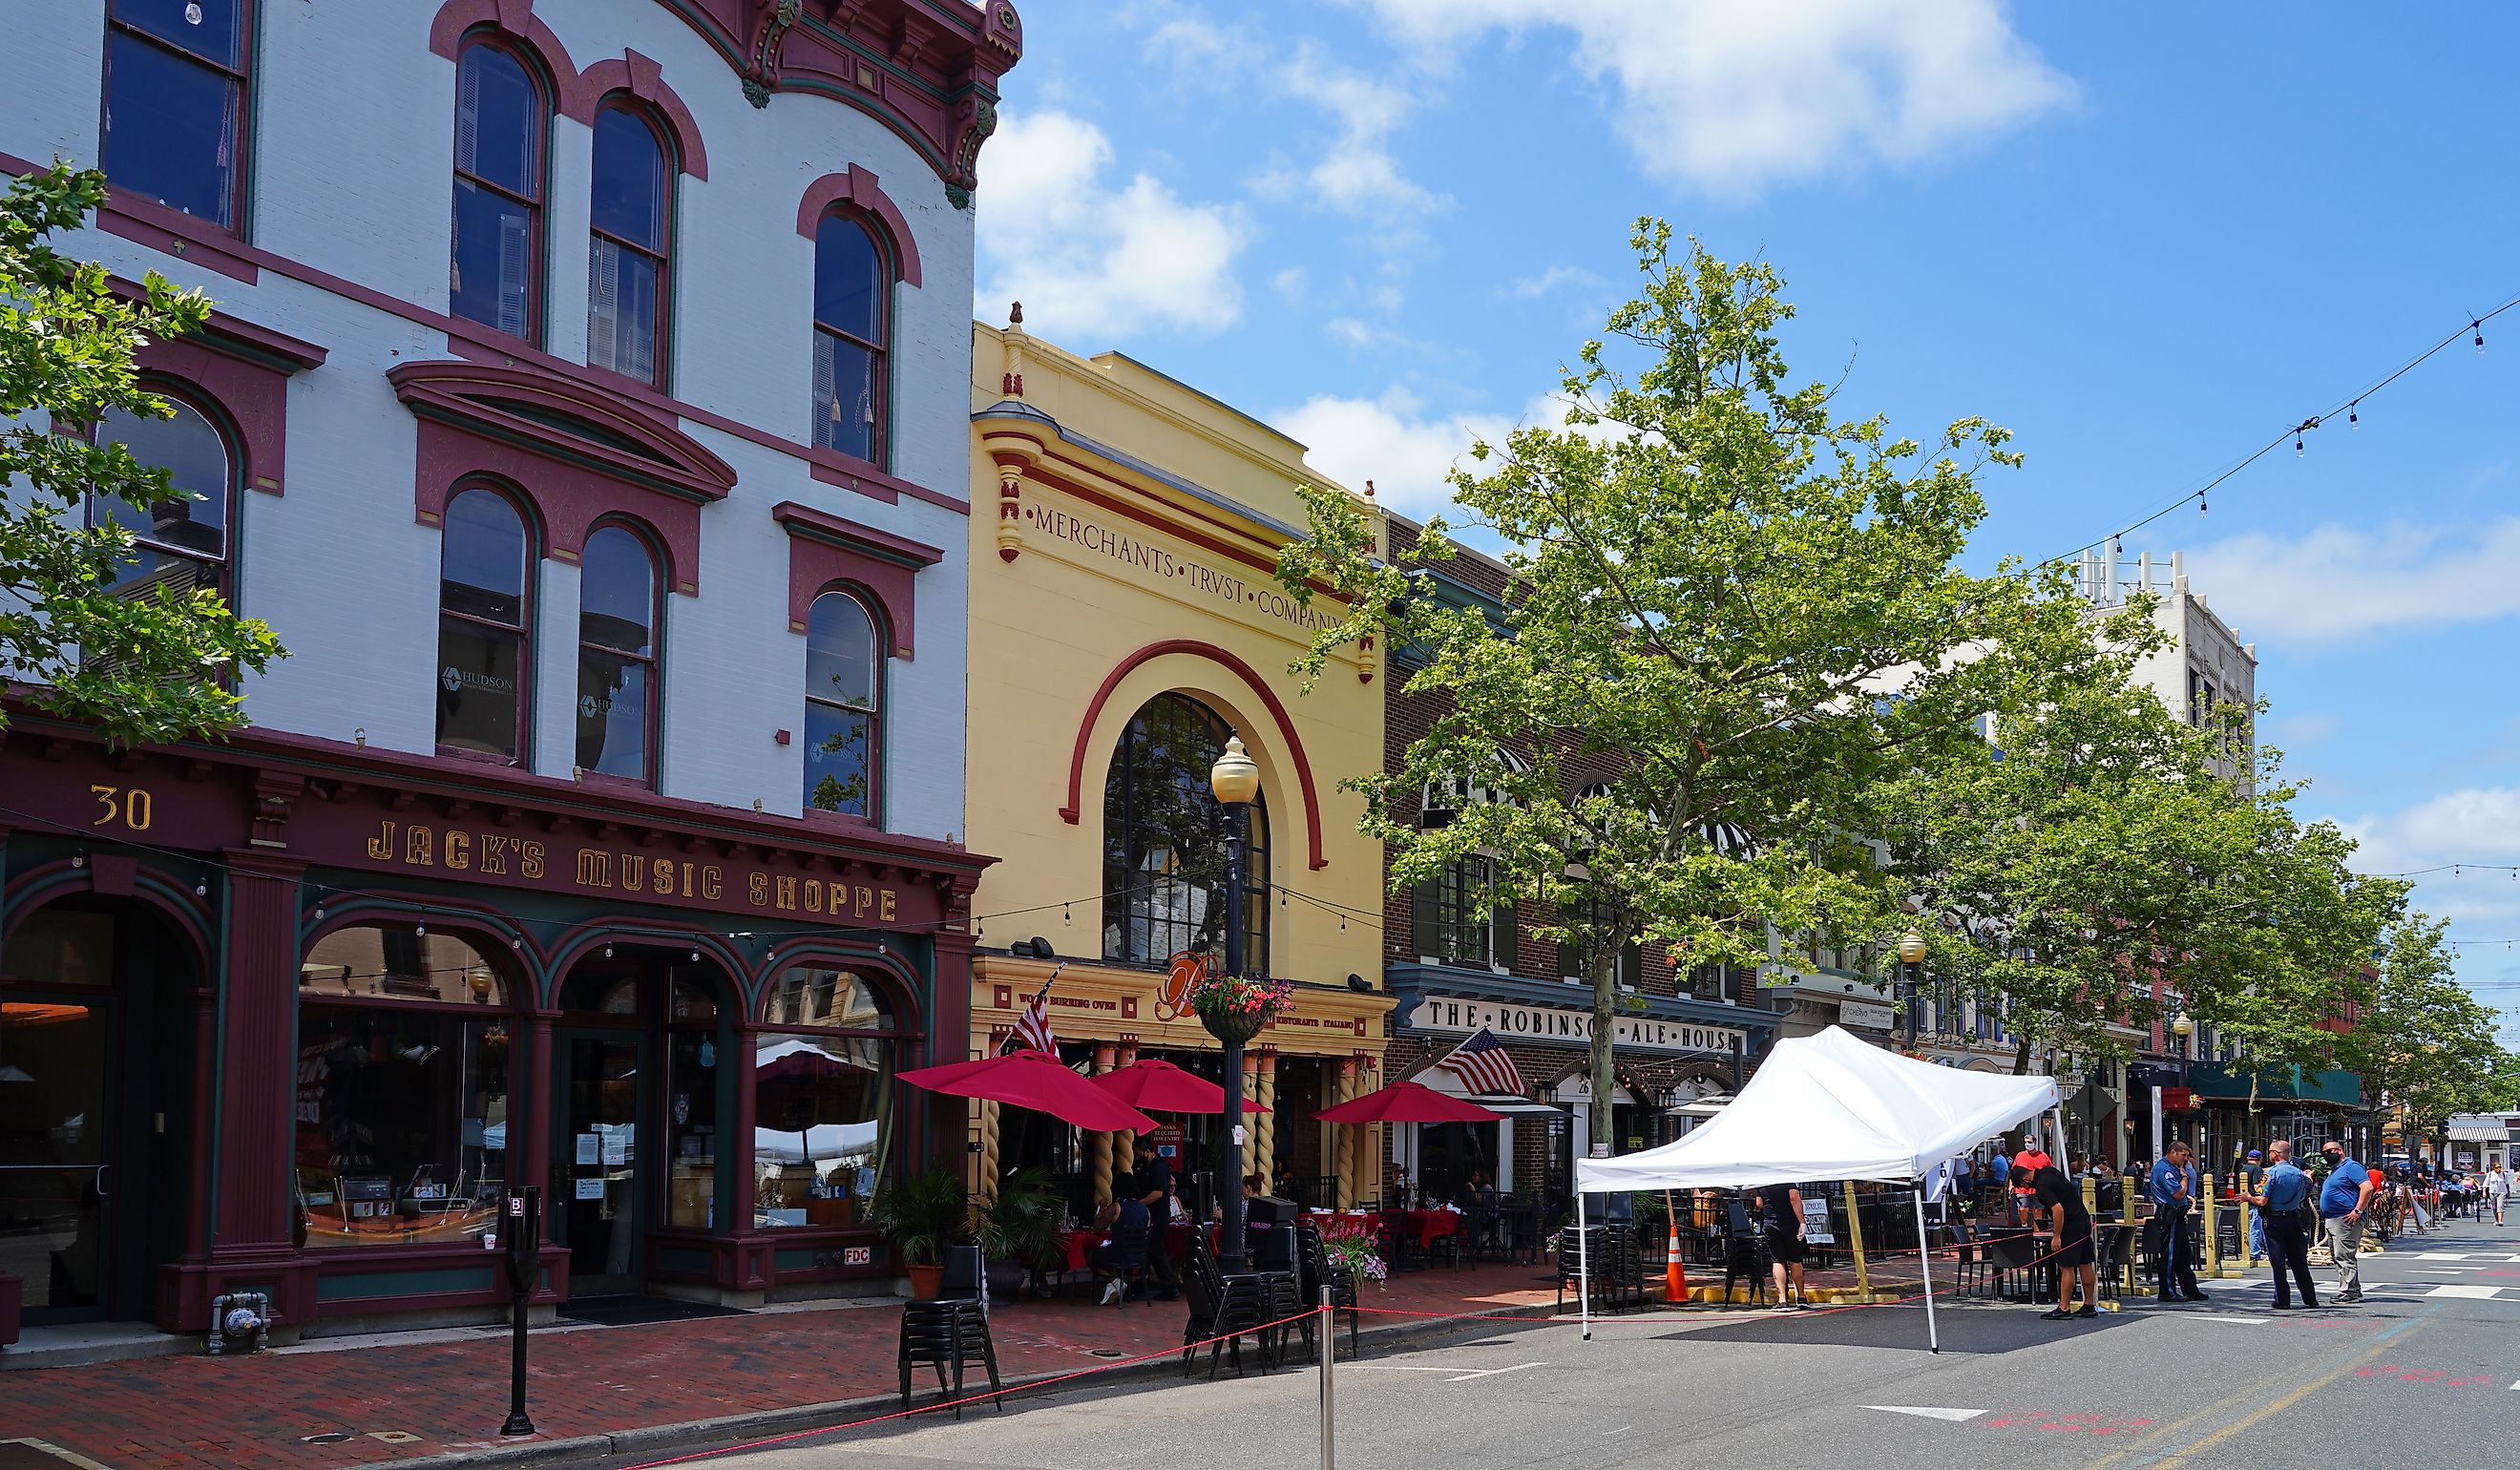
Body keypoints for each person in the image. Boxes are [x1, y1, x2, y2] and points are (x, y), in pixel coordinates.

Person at [2246, 1141, 2319, 1310]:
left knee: (2278, 1263)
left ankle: (2283, 1300)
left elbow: (2262, 1200)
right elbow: (2302, 1196)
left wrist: (2248, 1198)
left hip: (2275, 1220)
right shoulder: (2300, 1174)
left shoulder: (2270, 1174)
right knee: (2299, 1261)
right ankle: (2310, 1298)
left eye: (2270, 1152)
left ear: (2275, 1154)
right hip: (2294, 1219)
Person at [2027, 1155, 2098, 1321]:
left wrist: (2056, 1236)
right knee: (2085, 1262)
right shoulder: (2050, 1171)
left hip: (2071, 1225)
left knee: (2066, 1266)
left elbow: (2058, 1210)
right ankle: (2089, 1304)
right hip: (2083, 1219)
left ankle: (2064, 1307)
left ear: (2025, 1180)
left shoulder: (2041, 1186)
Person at [2148, 1141, 2206, 1302]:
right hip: (2169, 1214)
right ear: (2173, 1152)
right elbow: (2178, 1194)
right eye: (2183, 1155)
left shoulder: (2173, 1168)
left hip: (2178, 1214)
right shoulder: (2164, 1169)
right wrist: (2185, 1178)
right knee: (2170, 1254)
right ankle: (2167, 1291)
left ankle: (2190, 1290)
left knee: (2183, 1254)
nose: (2186, 1159)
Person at [2318, 1140, 2373, 1304]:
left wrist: (2357, 1211)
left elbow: (2367, 1187)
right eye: (2324, 1152)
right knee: (2338, 1255)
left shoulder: (2351, 1167)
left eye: (2330, 1151)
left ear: (2340, 1150)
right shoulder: (2335, 1170)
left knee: (2344, 1255)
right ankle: (2353, 1289)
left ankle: (2348, 1291)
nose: (2327, 1155)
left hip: (2345, 1218)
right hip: (2334, 1218)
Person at [1095, 1169, 1152, 1305]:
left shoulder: (1116, 1207)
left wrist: (1102, 1208)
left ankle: (1115, 1281)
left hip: (1120, 1253)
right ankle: (1119, 1283)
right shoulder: (1144, 1209)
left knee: (1092, 1255)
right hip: (1140, 1255)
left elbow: (1097, 1228)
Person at [1758, 1180, 1811, 1310]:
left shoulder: (1762, 1181)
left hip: (1770, 1222)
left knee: (1777, 1260)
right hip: (1790, 1223)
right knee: (1795, 1260)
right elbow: (1794, 1197)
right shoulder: (1787, 1179)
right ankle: (1801, 1297)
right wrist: (1802, 1222)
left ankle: (1782, 1300)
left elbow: (1759, 1204)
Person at [2239, 1148, 2268, 1264]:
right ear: (2260, 1159)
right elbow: (2257, 1186)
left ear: (2248, 1158)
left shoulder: (2243, 1168)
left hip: (2243, 1201)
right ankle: (2254, 1252)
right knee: (2255, 1228)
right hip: (2253, 1202)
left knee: (2247, 1228)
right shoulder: (2257, 1169)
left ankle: (2248, 1251)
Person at [2488, 1163, 2510, 1227]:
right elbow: (2485, 1184)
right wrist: (2484, 1192)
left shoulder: (2504, 1174)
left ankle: (2500, 1221)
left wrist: (2508, 1192)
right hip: (2492, 1192)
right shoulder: (2490, 1174)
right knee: (2494, 1207)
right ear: (2494, 1168)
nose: (2499, 1169)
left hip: (2502, 1192)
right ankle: (2497, 1220)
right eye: (2497, 1167)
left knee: (2500, 1206)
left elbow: (2507, 1184)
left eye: (2500, 1167)